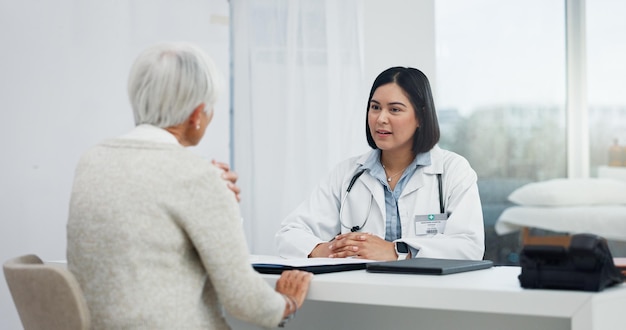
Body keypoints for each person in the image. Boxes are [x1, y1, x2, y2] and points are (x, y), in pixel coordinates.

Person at [67, 42, 312, 329]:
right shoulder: (196, 177)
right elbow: (245, 301)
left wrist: (207, 184)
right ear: (197, 116)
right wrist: (288, 303)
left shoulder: (92, 160)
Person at [275, 67, 484, 261]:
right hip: (361, 295)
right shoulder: (347, 174)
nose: (381, 118)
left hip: (430, 296)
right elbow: (289, 233)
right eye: (375, 107)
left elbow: (469, 246)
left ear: (420, 116)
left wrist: (396, 251)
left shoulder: (453, 171)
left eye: (394, 110)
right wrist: (323, 249)